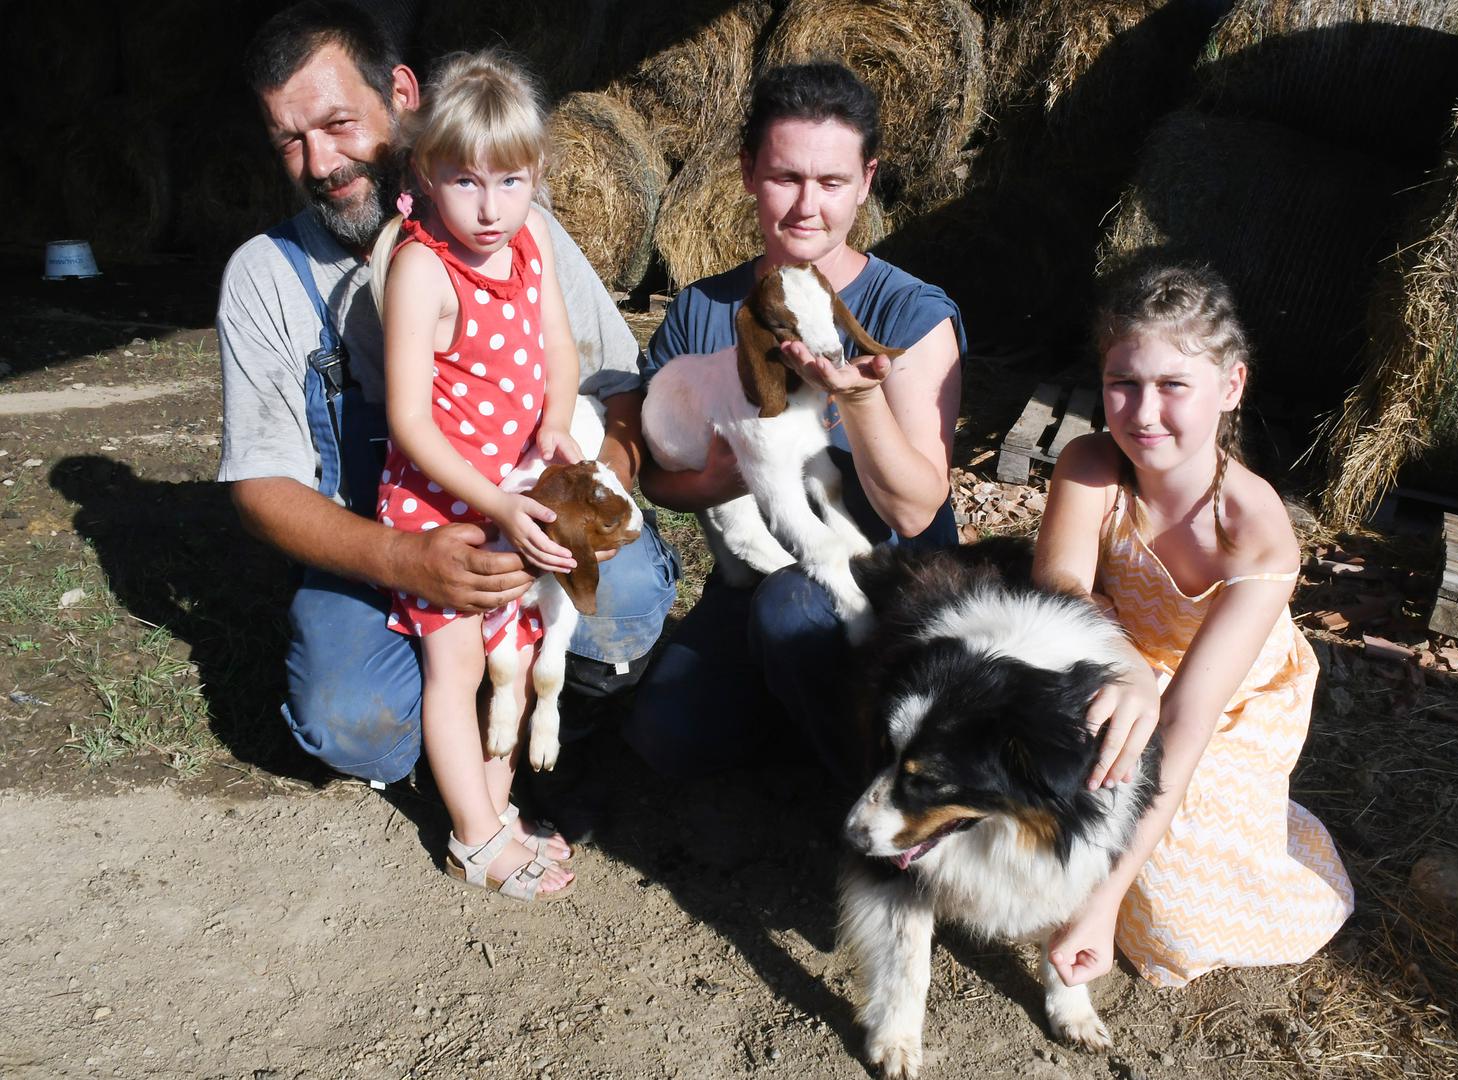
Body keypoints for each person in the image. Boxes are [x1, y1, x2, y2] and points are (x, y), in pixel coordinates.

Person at [215, 3, 678, 801]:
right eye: (290, 140)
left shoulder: (519, 229)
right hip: (389, 531)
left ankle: (540, 718)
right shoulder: (264, 275)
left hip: (526, 499)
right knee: (350, 718)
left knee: (626, 602)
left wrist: (575, 492)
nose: (321, 161)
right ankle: (454, 751)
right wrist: (405, 558)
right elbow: (259, 489)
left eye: (337, 124)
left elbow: (617, 387)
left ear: (399, 93)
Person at [627, 61, 964, 787]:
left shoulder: (907, 314)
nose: (808, 205)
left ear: (867, 181)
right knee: (669, 734)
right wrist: (717, 477)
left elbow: (914, 506)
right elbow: (659, 478)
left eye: (832, 182)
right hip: (757, 562)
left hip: (892, 569)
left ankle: (880, 787)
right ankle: (808, 710)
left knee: (793, 608)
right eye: (785, 177)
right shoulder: (702, 310)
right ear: (748, 172)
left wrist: (862, 399)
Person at [1033, 264, 1354, 989]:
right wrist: (1127, 664)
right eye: (1124, 383)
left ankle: (1288, 859)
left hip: (1229, 699)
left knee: (1166, 910)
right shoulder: (1091, 465)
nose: (1144, 413)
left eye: (1174, 386)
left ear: (1231, 387)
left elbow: (1187, 714)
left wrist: (1102, 904)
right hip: (1121, 660)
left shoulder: (1256, 531)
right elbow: (1059, 586)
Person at [368, 50, 587, 900]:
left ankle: (500, 816)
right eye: (465, 182)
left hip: (514, 494)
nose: (490, 207)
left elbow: (561, 350)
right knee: (456, 667)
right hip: (441, 505)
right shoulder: (423, 266)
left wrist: (557, 423)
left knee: (519, 651)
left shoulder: (530, 243)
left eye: (511, 181)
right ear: (426, 172)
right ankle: (473, 837)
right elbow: (408, 420)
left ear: (536, 176)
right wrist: (495, 496)